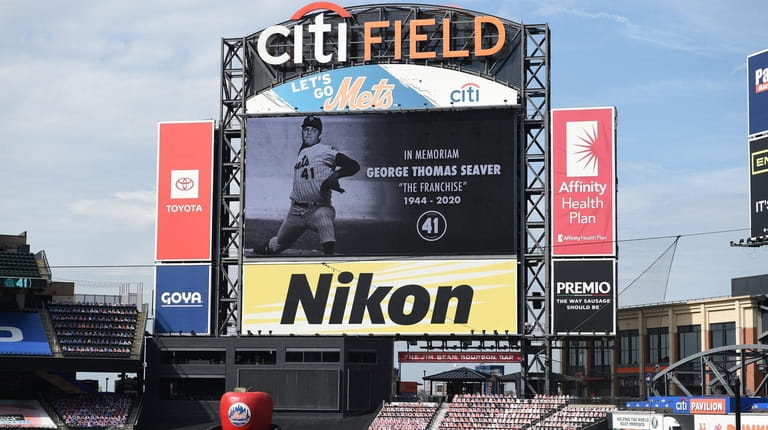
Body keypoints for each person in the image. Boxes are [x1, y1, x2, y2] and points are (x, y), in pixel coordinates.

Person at [262, 115, 359, 255]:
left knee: (325, 222)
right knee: (277, 246)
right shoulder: (302, 152)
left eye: (313, 130)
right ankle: (263, 248)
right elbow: (305, 143)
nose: (308, 132)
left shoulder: (326, 150)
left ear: (320, 135)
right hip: (295, 211)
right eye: (306, 129)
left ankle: (329, 261)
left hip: (318, 208)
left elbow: (353, 165)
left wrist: (335, 175)